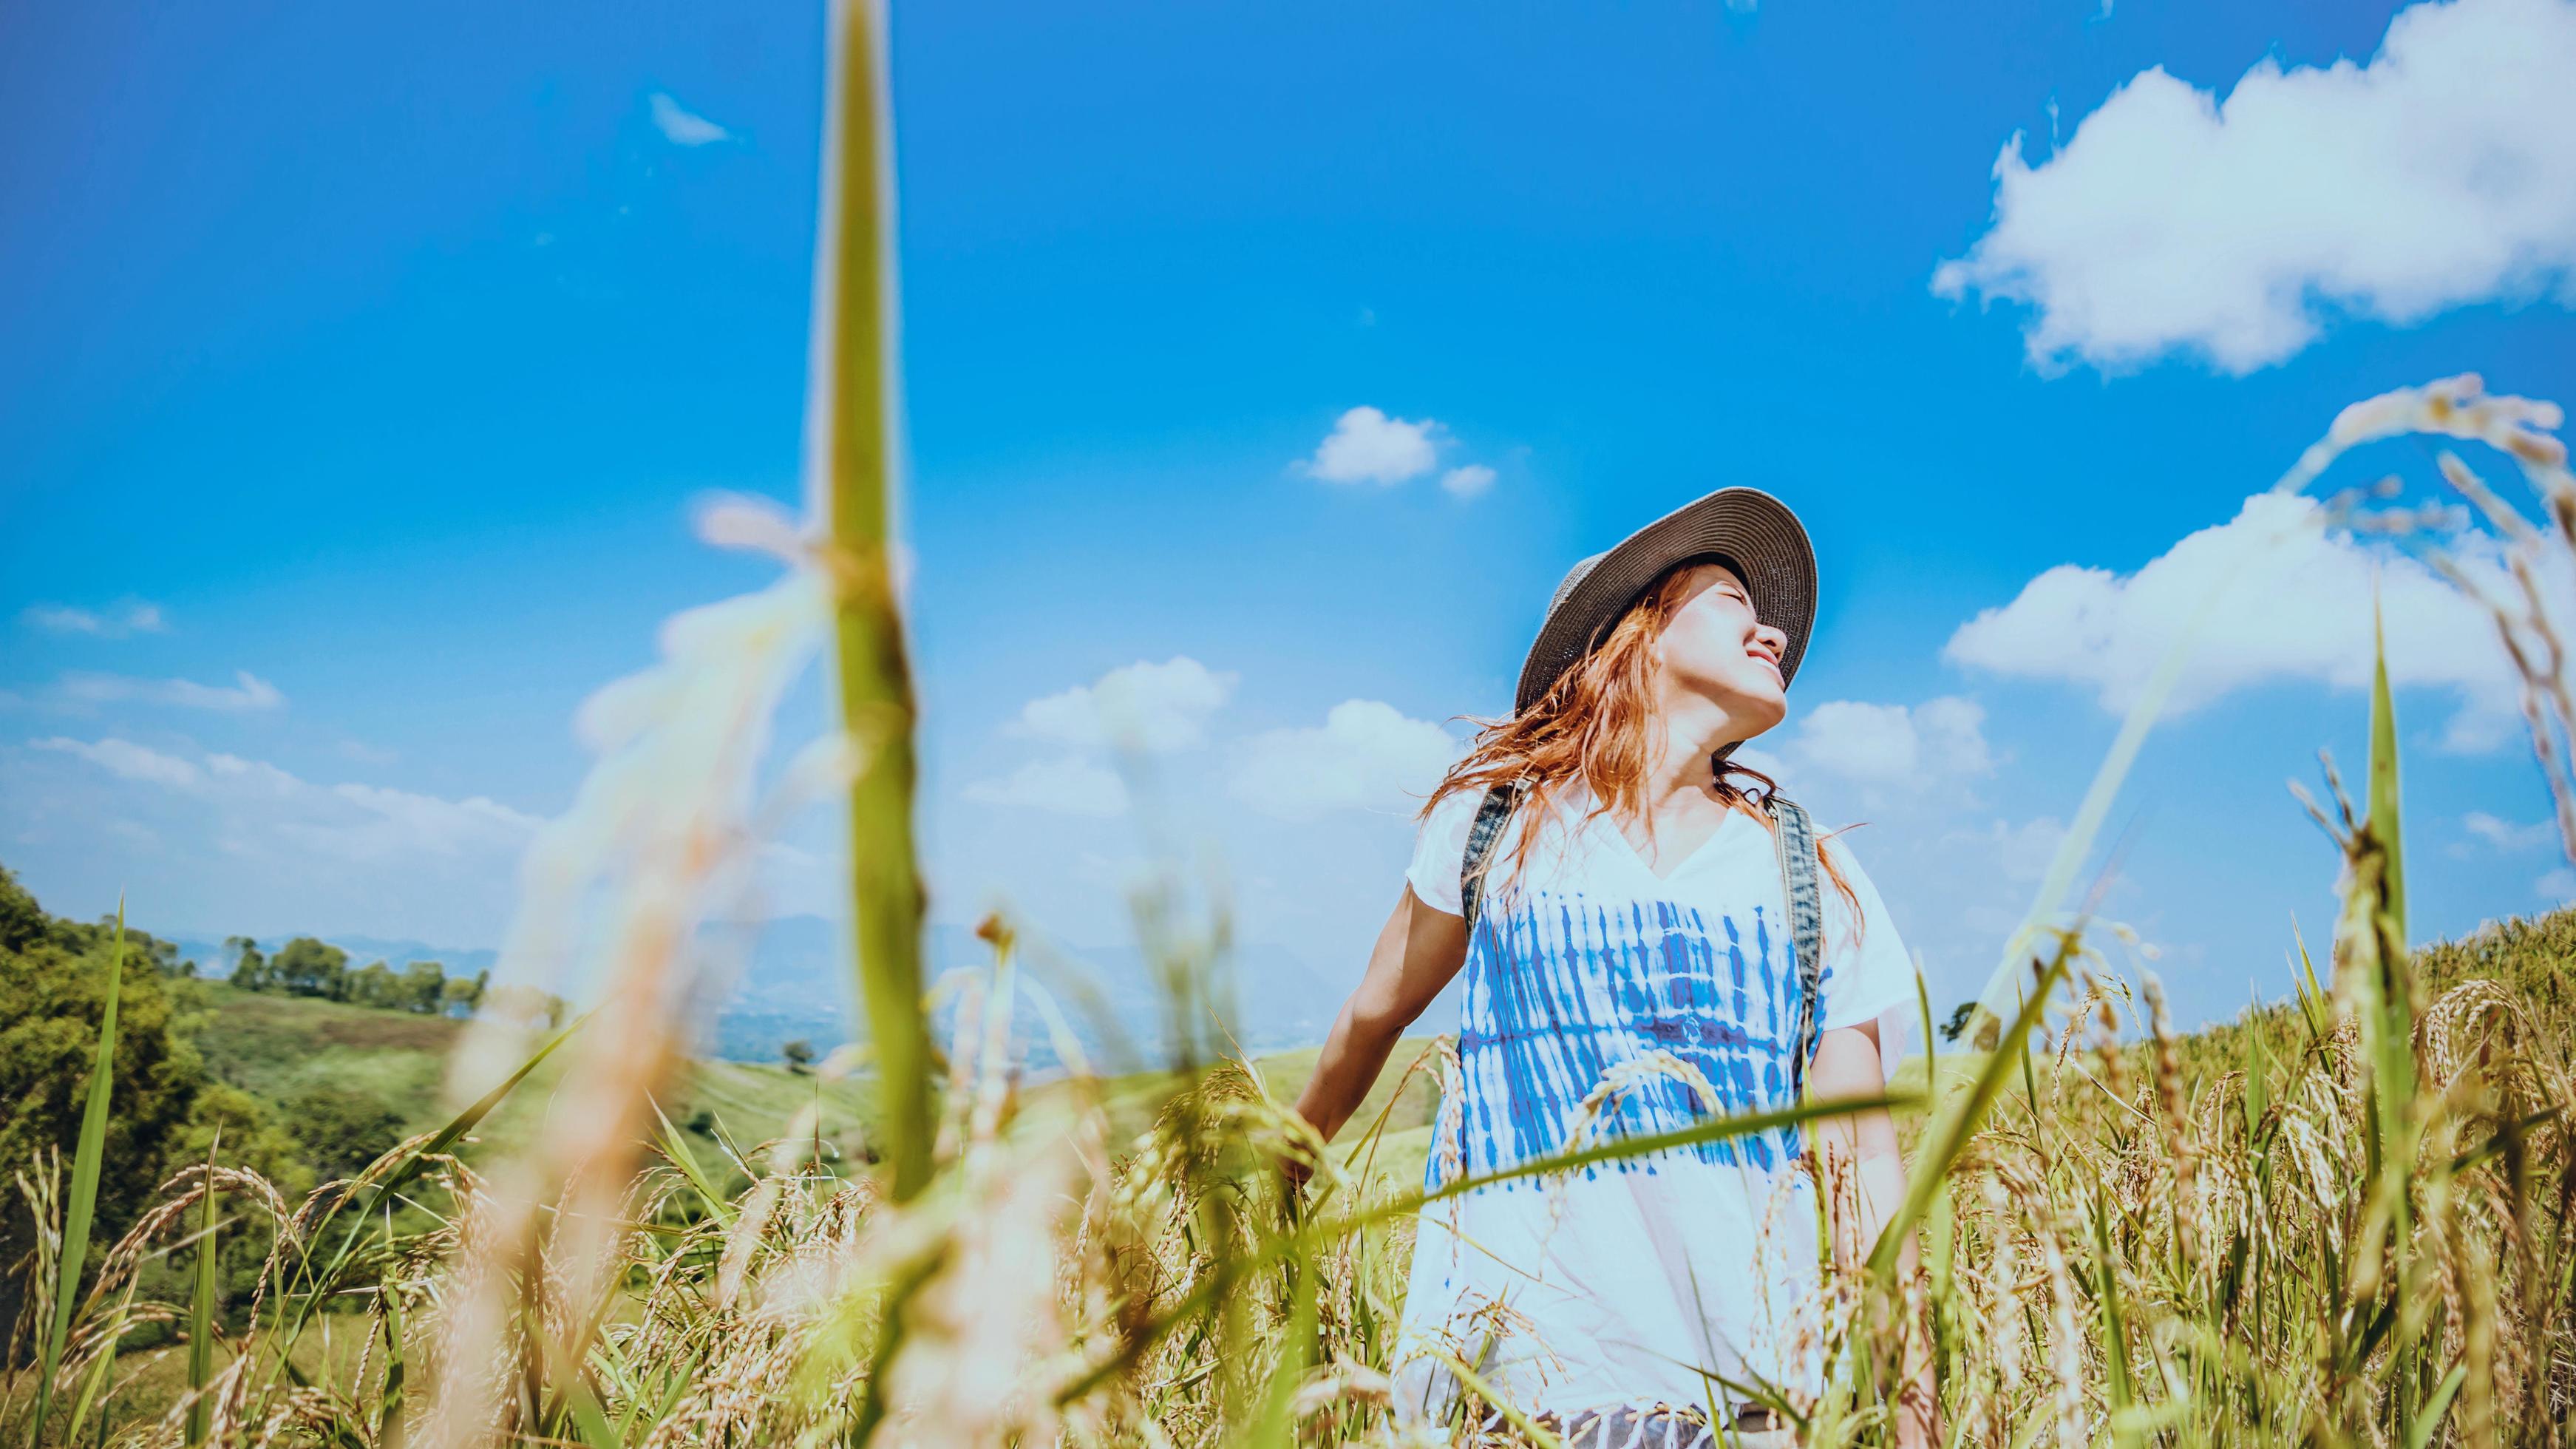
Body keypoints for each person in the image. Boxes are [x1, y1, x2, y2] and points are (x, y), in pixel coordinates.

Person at [1289, 487, 1934, 1448]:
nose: (1771, 635)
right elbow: (1373, 1013)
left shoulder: (1812, 870)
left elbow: (1862, 1153)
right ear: (1632, 634)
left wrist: (1914, 1405)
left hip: (1744, 1403)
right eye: (1728, 599)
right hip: (1509, 1387)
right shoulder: (1497, 829)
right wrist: (1275, 1172)